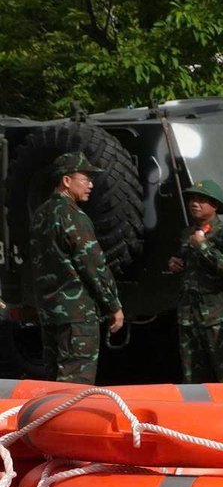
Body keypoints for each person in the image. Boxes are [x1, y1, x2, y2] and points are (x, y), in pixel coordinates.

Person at [30, 153, 123, 384]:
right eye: (86, 178)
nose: (91, 185)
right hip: (77, 316)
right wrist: (113, 306)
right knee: (75, 387)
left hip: (50, 313)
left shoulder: (41, 214)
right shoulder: (73, 217)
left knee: (52, 383)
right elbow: (93, 265)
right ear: (66, 181)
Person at [167, 178, 223, 382]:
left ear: (214, 206)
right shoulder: (188, 233)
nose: (194, 204)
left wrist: (204, 246)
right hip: (189, 315)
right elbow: (189, 265)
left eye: (201, 200)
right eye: (192, 200)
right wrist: (175, 263)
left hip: (217, 317)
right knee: (192, 376)